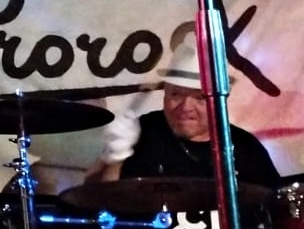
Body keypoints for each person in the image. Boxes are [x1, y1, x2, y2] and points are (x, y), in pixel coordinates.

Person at [88, 38, 280, 188]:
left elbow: (273, 208)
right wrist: (115, 157)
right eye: (176, 94)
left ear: (220, 101)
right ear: (165, 93)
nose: (186, 106)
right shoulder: (142, 130)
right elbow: (93, 197)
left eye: (200, 97)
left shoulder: (245, 147)